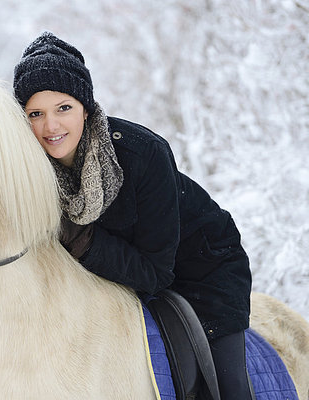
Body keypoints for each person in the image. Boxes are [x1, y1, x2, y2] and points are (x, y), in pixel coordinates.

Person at [13, 32, 254, 399]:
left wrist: (82, 238)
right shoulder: (30, 171)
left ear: (86, 108)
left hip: (201, 267)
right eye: (36, 114)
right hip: (115, 278)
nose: (51, 127)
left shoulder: (144, 153)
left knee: (225, 388)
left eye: (64, 108)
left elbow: (158, 272)